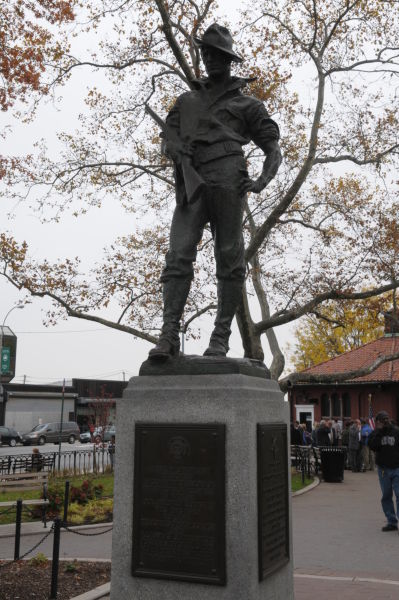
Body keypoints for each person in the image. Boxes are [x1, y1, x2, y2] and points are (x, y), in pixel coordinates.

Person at [148, 23, 282, 359]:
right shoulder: (186, 101)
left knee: (229, 259)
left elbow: (274, 149)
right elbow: (169, 141)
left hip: (228, 178)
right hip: (191, 183)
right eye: (207, 53)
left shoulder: (249, 105)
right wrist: (174, 151)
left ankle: (220, 338)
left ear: (230, 59)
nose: (212, 59)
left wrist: (261, 181)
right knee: (178, 255)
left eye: (219, 54)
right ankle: (168, 335)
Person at [368, 411, 399, 531]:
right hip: (383, 470)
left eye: (386, 420)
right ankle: (391, 521)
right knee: (386, 495)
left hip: (397, 468)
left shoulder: (396, 431)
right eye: (382, 421)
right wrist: (379, 432)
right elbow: (372, 446)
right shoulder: (376, 433)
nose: (384, 422)